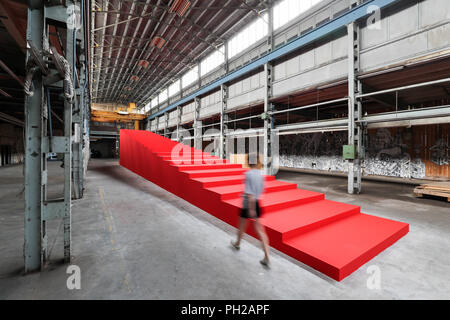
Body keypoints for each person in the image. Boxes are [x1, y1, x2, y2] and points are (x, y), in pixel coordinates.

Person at [231, 153, 270, 267]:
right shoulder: (261, 174)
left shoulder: (248, 174)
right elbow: (261, 190)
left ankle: (237, 243)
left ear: (249, 161)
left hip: (249, 204)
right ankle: (266, 255)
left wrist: (251, 208)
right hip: (258, 203)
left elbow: (249, 193)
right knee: (261, 231)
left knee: (242, 225)